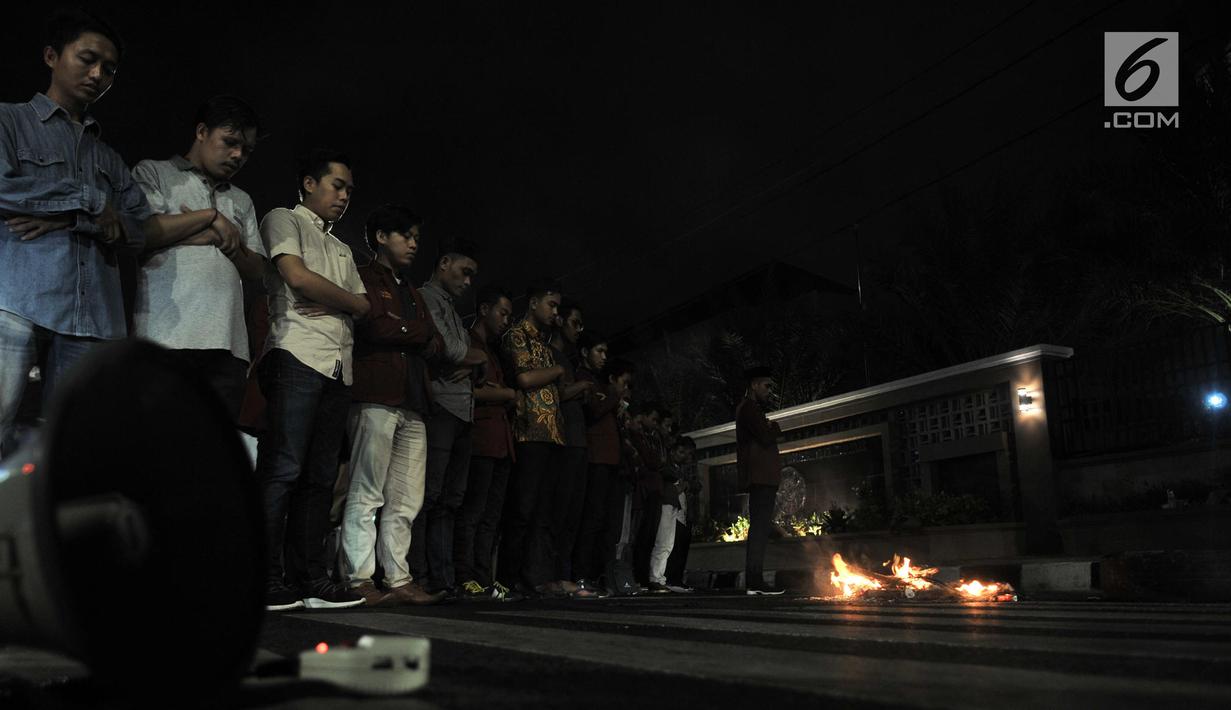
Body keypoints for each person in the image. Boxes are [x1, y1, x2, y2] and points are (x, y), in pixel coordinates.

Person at [0, 9, 151, 454]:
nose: (98, 74)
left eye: (109, 69)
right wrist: (90, 203)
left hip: (94, 322)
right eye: (87, 59)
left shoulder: (110, 157)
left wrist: (70, 218)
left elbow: (140, 228)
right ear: (51, 56)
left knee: (74, 450)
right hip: (16, 302)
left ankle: (37, 527)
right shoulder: (8, 121)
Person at [256, 149, 369, 611]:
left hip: (338, 366)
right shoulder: (284, 218)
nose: (343, 196)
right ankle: (264, 578)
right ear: (308, 183)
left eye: (348, 190)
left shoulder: (342, 248)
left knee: (321, 478)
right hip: (297, 353)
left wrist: (341, 301)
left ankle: (311, 578)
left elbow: (365, 307)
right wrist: (345, 301)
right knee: (282, 470)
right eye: (336, 185)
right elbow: (296, 277)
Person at [132, 95, 267, 421]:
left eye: (246, 150)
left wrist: (205, 236)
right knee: (157, 445)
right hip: (165, 338)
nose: (238, 155)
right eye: (230, 142)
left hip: (229, 347)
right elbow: (141, 233)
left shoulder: (241, 199)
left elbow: (258, 269)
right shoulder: (155, 172)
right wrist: (212, 219)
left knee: (211, 457)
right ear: (202, 131)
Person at [339, 204, 445, 606]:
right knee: (367, 490)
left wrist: (409, 332)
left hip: (413, 402)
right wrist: (414, 333)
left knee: (406, 498)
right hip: (375, 395)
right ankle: (358, 578)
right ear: (381, 236)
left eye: (416, 236)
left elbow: (437, 343)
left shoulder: (412, 291)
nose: (414, 243)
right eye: (405, 234)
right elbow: (374, 325)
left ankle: (398, 577)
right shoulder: (363, 277)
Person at [411, 237, 487, 596]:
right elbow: (452, 349)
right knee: (431, 495)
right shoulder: (426, 298)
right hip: (441, 406)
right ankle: (421, 576)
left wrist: (474, 360)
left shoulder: (453, 309)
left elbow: (469, 356)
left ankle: (442, 579)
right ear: (444, 263)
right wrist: (476, 357)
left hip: (461, 410)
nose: (468, 281)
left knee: (450, 500)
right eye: (464, 271)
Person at [499, 277, 568, 596]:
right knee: (522, 509)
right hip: (529, 433)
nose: (556, 311)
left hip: (552, 435)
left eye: (558, 306)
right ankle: (506, 578)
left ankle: (533, 577)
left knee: (543, 512)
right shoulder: (516, 335)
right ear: (533, 303)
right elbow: (525, 378)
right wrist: (556, 372)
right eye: (551, 304)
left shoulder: (546, 345)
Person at [454, 285, 522, 601]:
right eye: (502, 312)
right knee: (472, 512)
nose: (506, 320)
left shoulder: (495, 352)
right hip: (480, 439)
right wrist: (507, 394)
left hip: (502, 441)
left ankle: (484, 577)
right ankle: (464, 575)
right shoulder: (468, 342)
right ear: (484, 309)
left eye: (510, 315)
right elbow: (470, 391)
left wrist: (505, 394)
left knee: (490, 518)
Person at [548, 301, 597, 595]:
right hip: (564, 443)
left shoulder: (567, 360)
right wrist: (583, 387)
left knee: (573, 515)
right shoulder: (552, 355)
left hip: (578, 443)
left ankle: (565, 574)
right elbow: (561, 392)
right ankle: (555, 575)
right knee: (561, 512)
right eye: (575, 323)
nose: (579, 329)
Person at [738, 365, 785, 595]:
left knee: (760, 526)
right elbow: (766, 436)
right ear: (754, 385)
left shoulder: (753, 408)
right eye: (766, 386)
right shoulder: (749, 408)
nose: (769, 391)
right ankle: (754, 581)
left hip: (763, 476)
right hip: (760, 476)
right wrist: (774, 427)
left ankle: (754, 580)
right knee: (758, 527)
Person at [628, 400, 670, 591]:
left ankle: (644, 576)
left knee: (650, 536)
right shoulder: (638, 435)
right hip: (644, 489)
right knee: (640, 535)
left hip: (654, 488)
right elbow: (651, 459)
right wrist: (656, 461)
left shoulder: (654, 437)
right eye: (652, 419)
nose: (654, 423)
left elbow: (658, 460)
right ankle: (638, 575)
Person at [663, 436, 699, 593]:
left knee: (682, 545)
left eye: (689, 453)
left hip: (686, 510)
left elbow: (697, 484)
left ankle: (676, 578)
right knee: (672, 545)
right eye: (682, 452)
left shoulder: (689, 467)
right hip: (673, 508)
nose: (685, 456)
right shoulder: (668, 466)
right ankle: (670, 578)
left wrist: (688, 485)